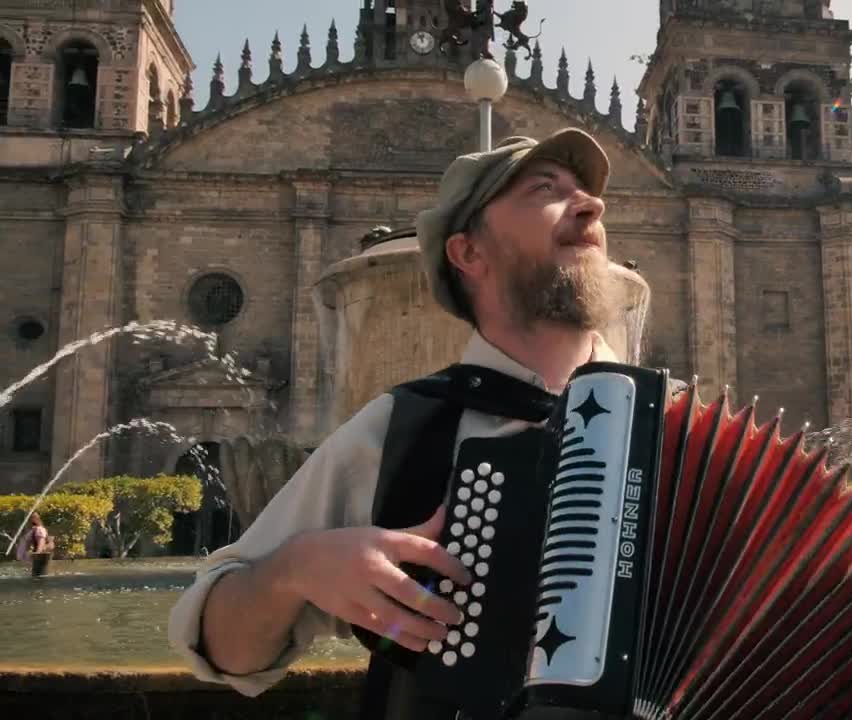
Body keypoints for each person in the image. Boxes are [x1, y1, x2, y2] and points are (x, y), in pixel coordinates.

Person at [167, 128, 631, 718]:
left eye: (586, 192)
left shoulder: (672, 424)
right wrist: (295, 569)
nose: (591, 205)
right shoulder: (401, 431)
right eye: (546, 189)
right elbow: (222, 649)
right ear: (468, 253)